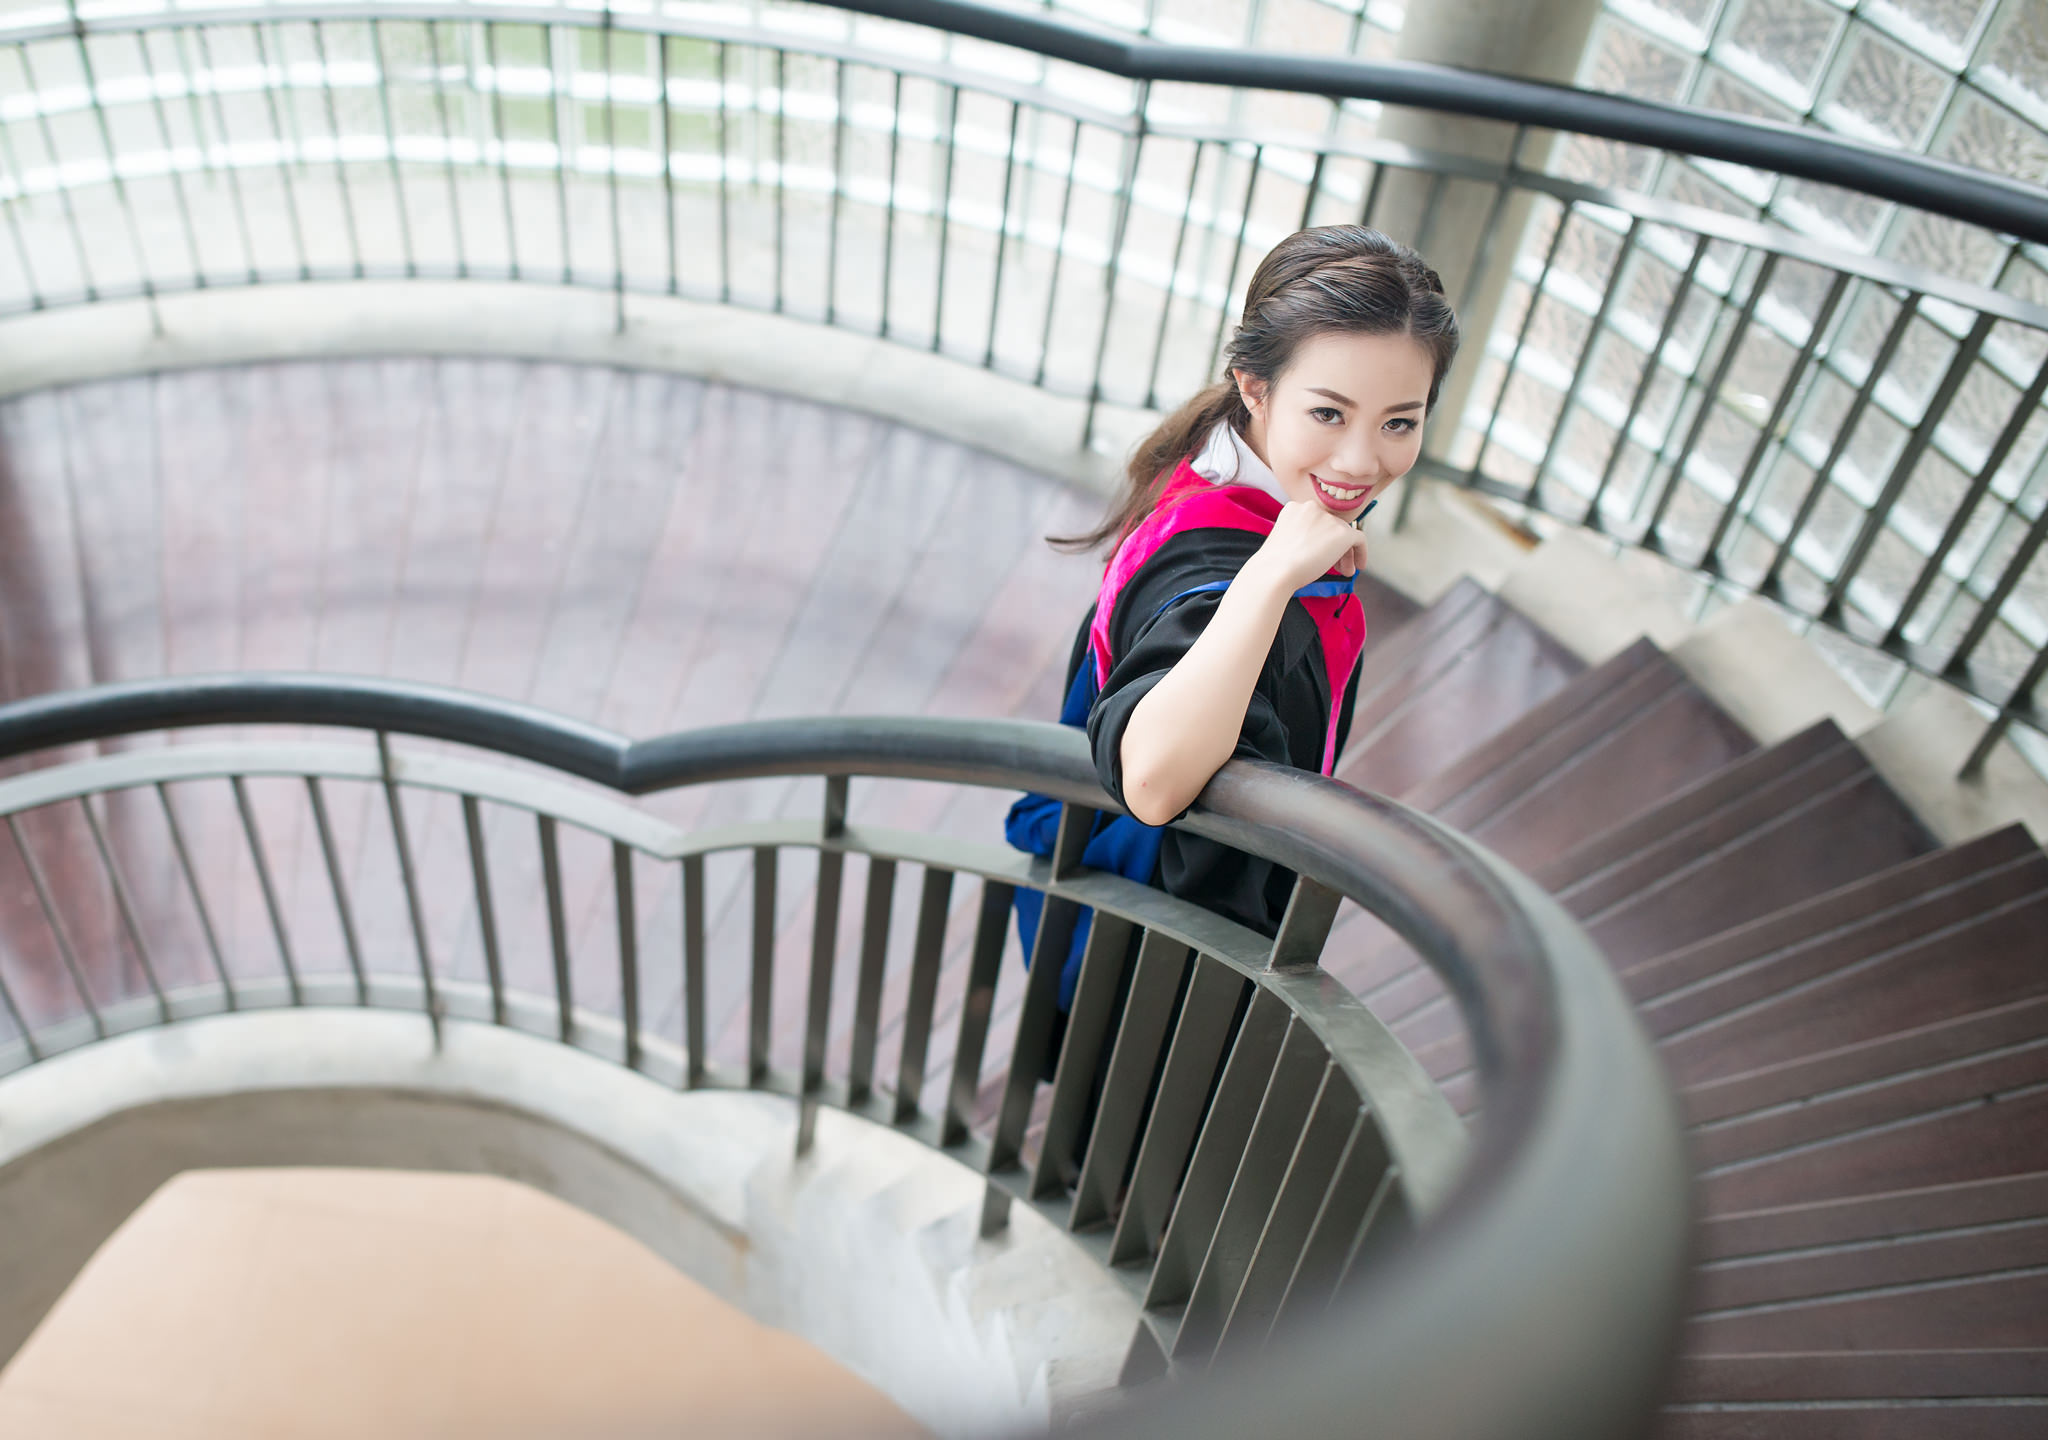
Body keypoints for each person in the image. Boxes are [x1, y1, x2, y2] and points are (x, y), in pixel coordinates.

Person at [1006, 225, 1461, 1010]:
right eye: (1329, 413)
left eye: (1399, 422)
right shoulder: (1225, 565)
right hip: (1159, 957)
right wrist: (1272, 576)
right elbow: (1150, 780)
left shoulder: (1212, 465)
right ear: (1255, 386)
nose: (1361, 462)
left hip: (1160, 921)